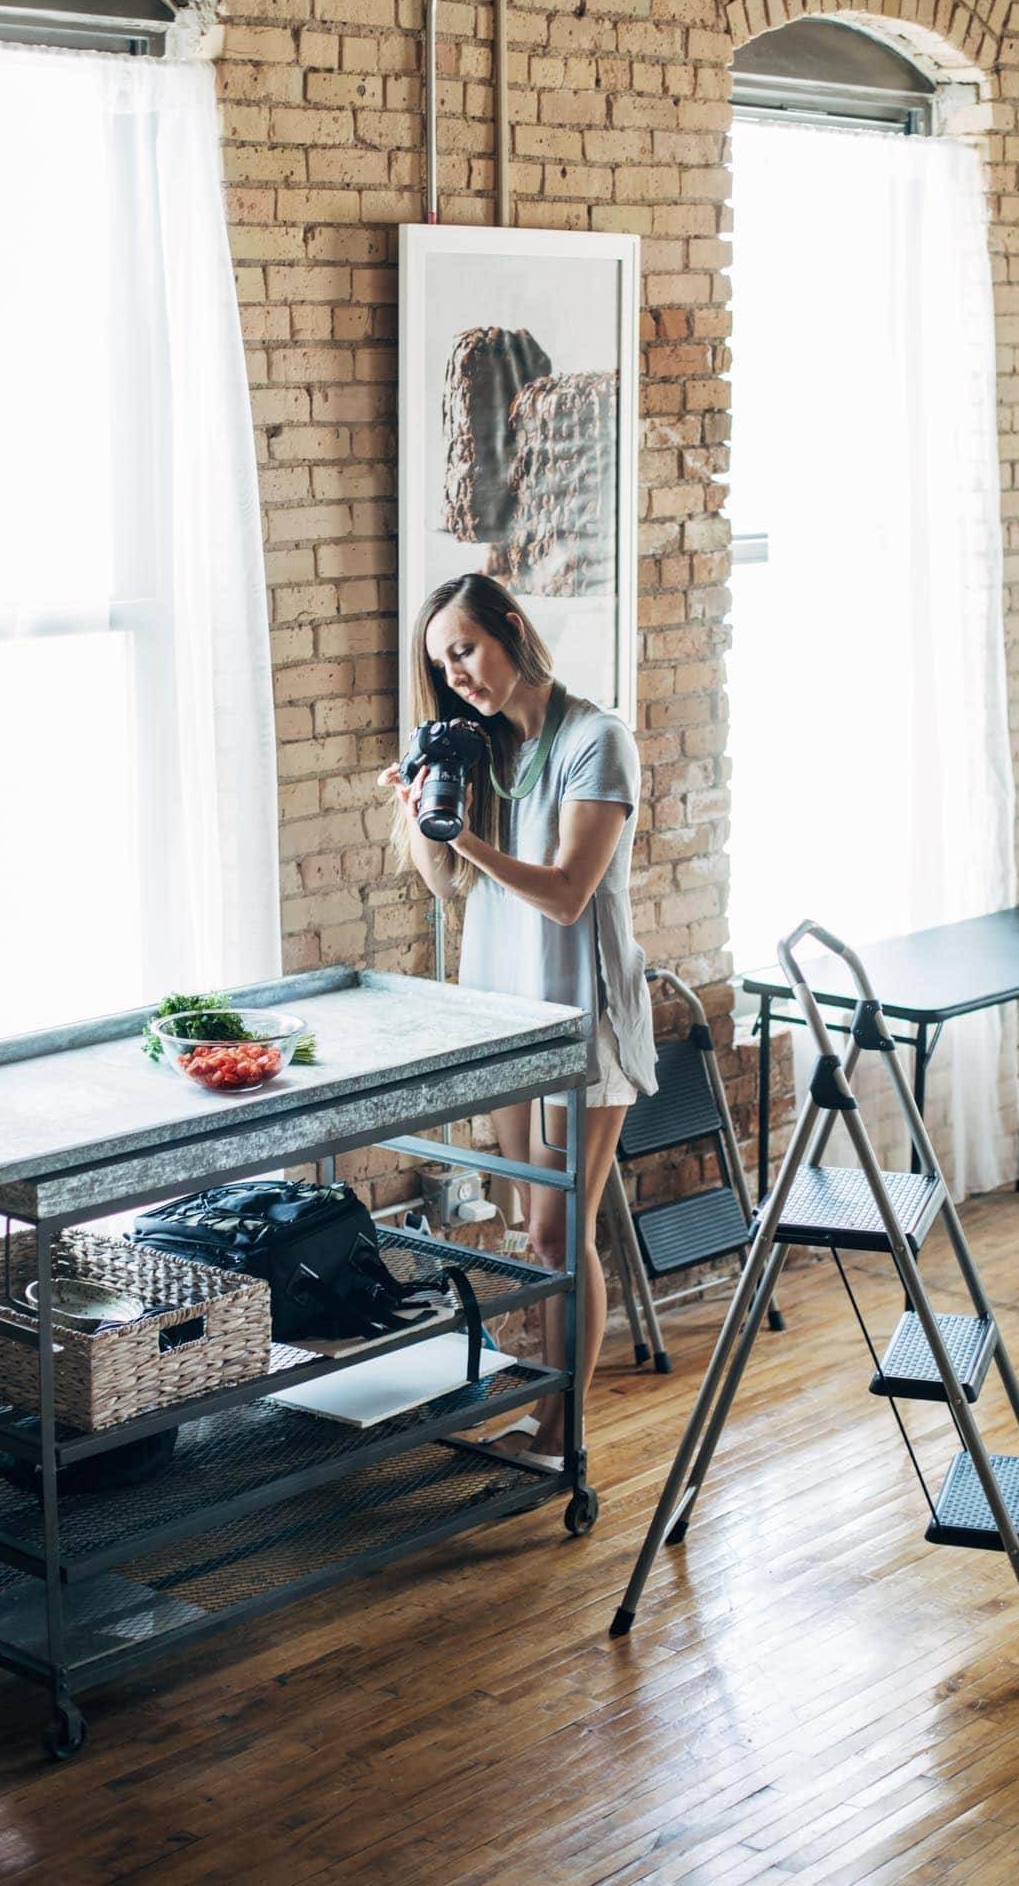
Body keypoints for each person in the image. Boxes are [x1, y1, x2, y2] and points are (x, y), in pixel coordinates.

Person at [380, 572, 657, 1463]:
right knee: (532, 1237)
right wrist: (423, 813)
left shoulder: (597, 739)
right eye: (442, 663)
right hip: (502, 1021)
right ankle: (546, 1417)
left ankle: (562, 1435)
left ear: (510, 630)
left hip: (580, 1022)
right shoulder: (484, 753)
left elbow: (570, 895)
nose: (457, 674)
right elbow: (447, 886)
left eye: (464, 648)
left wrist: (461, 832)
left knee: (557, 1233)